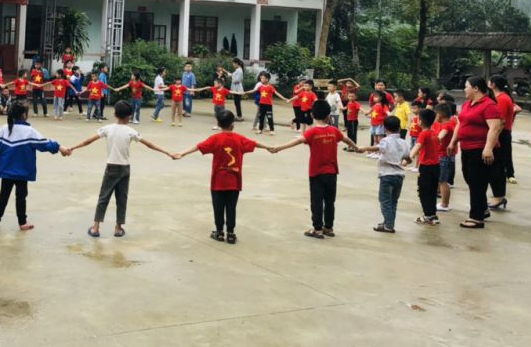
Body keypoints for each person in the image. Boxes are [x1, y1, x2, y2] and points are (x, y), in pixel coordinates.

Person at [63, 100, 174, 238]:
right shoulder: (131, 131)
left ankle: (96, 228)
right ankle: (118, 228)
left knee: (104, 197)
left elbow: (88, 141)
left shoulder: (107, 128)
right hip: (125, 168)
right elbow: (149, 144)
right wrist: (167, 152)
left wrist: (72, 147)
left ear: (115, 114)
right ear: (129, 116)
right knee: (122, 198)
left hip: (111, 167)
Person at [171, 109, 276, 244]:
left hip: (218, 181)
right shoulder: (239, 139)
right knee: (231, 207)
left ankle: (219, 232)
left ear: (218, 124)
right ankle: (231, 234)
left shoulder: (215, 139)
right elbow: (254, 143)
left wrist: (182, 153)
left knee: (218, 207)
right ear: (233, 124)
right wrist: (268, 147)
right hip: (234, 181)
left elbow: (198, 146)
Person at [271, 99, 364, 239]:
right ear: (328, 116)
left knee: (316, 202)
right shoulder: (334, 130)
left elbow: (297, 141)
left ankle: (317, 229)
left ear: (312, 115)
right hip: (332, 172)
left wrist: (279, 148)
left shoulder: (312, 132)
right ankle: (329, 227)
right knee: (330, 201)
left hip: (316, 173)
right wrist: (356, 148)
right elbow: (346, 139)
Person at [0, 100, 61, 230]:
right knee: (21, 197)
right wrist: (59, 147)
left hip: (7, 171)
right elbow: (45, 144)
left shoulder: (5, 129)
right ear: (24, 115)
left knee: (3, 196)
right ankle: (22, 223)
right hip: (23, 171)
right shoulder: (29, 131)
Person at [449, 77, 503, 229]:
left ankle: (476, 217)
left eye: (466, 86)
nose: (464, 89)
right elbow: (460, 124)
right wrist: (453, 141)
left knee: (477, 183)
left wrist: (488, 148)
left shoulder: (489, 105)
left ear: (476, 88)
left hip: (480, 149)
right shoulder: (467, 104)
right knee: (470, 179)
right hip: (467, 148)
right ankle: (482, 209)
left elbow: (495, 128)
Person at [353, 116, 409, 233]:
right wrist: (404, 162)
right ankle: (389, 222)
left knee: (385, 201)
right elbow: (408, 158)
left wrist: (364, 148)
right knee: (393, 201)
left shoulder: (385, 141)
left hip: (387, 175)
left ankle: (388, 225)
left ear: (385, 128)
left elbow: (377, 147)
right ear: (399, 128)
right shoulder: (404, 142)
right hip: (399, 175)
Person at [407, 108, 442, 225]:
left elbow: (417, 146)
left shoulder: (423, 134)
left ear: (420, 121)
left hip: (426, 167)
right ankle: (432, 214)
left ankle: (428, 216)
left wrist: (409, 157)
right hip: (436, 166)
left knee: (423, 191)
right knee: (432, 191)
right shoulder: (434, 133)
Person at [489, 74, 521, 189]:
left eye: (489, 81)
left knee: (501, 154)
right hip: (502, 130)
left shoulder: (502, 98)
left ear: (493, 84)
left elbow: (500, 120)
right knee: (503, 154)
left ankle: (506, 175)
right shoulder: (500, 97)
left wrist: (495, 134)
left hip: (501, 131)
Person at [435, 101, 458, 212]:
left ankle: (444, 204)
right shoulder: (452, 122)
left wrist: (434, 140)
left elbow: (441, 135)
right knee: (442, 180)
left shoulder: (446, 125)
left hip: (443, 156)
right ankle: (443, 202)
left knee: (443, 181)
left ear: (440, 115)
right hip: (448, 156)